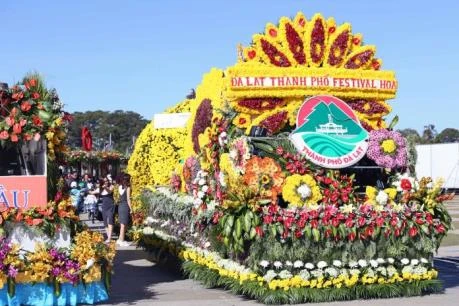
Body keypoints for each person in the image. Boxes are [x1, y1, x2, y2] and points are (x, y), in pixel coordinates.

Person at [116, 174, 132, 247]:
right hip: (125, 206)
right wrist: (131, 209)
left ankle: (120, 239)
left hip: (120, 206)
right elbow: (128, 199)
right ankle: (121, 240)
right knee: (123, 224)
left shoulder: (119, 187)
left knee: (122, 223)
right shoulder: (128, 188)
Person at [100, 177, 115, 243]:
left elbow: (110, 191)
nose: (106, 182)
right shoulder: (101, 188)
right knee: (105, 222)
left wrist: (105, 187)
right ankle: (108, 236)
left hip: (111, 205)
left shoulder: (111, 186)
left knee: (110, 220)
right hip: (104, 206)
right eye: (105, 181)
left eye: (107, 181)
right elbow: (93, 192)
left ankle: (109, 237)